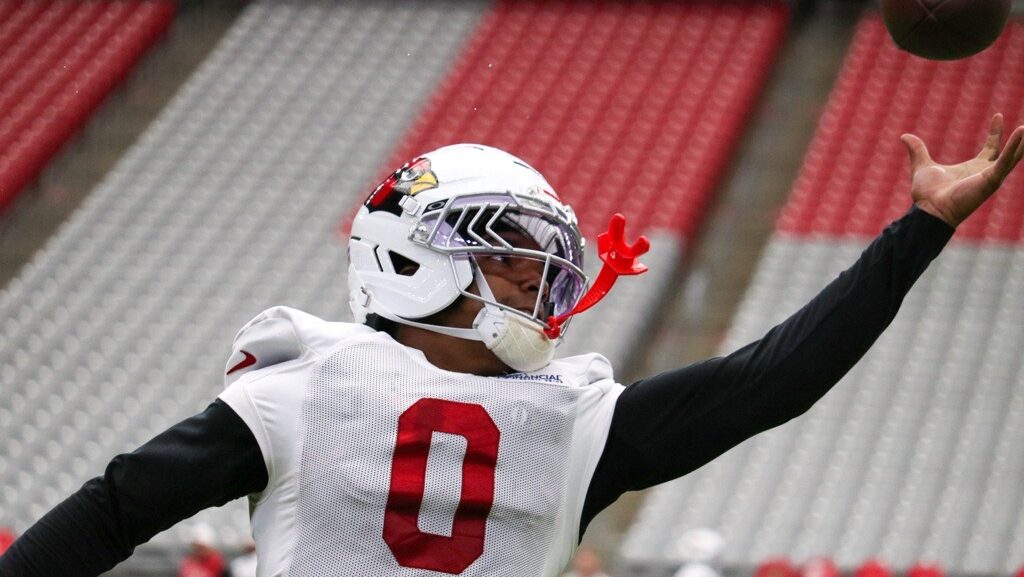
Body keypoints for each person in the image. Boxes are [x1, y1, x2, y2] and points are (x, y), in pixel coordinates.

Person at [0, 117, 1021, 577]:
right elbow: (117, 507)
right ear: (408, 261)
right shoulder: (306, 389)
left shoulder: (573, 419)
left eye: (537, 255)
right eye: (505, 254)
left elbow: (774, 382)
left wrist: (918, 228)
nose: (536, 275)